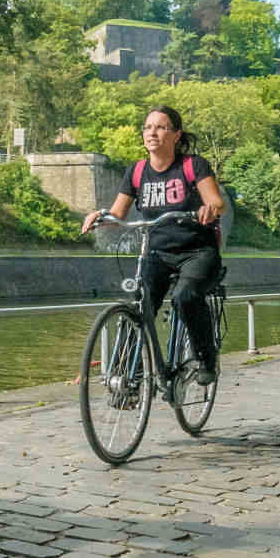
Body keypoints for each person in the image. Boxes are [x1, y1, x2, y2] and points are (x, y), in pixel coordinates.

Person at [81, 106, 228, 384]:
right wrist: (101, 215)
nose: (152, 133)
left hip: (197, 252)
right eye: (148, 127)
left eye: (161, 127)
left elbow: (217, 203)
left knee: (185, 297)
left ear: (176, 135)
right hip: (157, 253)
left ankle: (207, 357)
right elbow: (118, 214)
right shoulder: (136, 171)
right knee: (139, 305)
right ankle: (128, 380)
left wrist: (209, 209)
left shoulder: (192, 165)